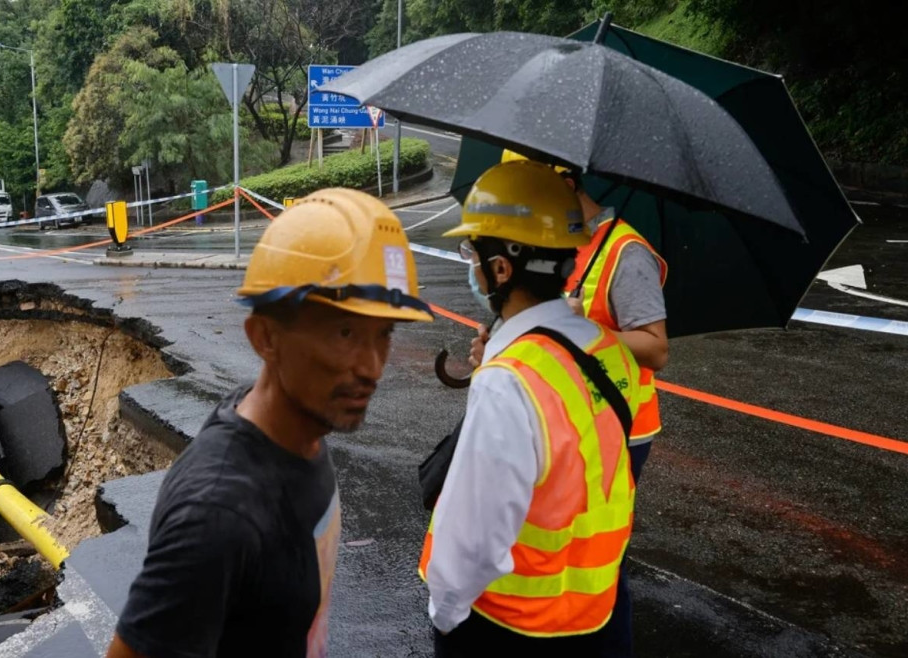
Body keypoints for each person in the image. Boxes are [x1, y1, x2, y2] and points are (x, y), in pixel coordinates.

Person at [106, 188, 434, 658]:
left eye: (384, 334)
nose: (372, 367)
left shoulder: (302, 429)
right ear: (265, 337)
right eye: (345, 332)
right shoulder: (217, 516)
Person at [423, 160, 641, 655]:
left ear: (501, 268)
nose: (471, 265)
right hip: (595, 614)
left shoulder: (509, 381)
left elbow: (473, 537)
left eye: (471, 251)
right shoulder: (607, 349)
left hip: (509, 627)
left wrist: (445, 614)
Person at [472, 151, 670, 656]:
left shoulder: (626, 252)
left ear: (564, 182)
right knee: (550, 544)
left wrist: (577, 330)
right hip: (559, 416)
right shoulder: (559, 242)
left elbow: (656, 347)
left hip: (615, 426)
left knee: (597, 555)